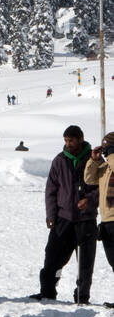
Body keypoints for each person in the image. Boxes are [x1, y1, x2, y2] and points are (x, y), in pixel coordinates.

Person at [31, 125, 99, 303]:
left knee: (85, 263)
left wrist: (90, 200)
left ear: (81, 139)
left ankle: (82, 296)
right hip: (63, 218)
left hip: (86, 219)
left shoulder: (94, 160)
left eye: (71, 141)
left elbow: (103, 188)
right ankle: (47, 292)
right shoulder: (59, 161)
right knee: (53, 257)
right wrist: (51, 214)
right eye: (66, 141)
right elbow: (51, 190)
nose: (68, 144)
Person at [83, 133, 114, 304]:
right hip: (107, 219)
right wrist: (94, 160)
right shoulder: (106, 165)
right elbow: (89, 178)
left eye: (108, 147)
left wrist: (111, 154)